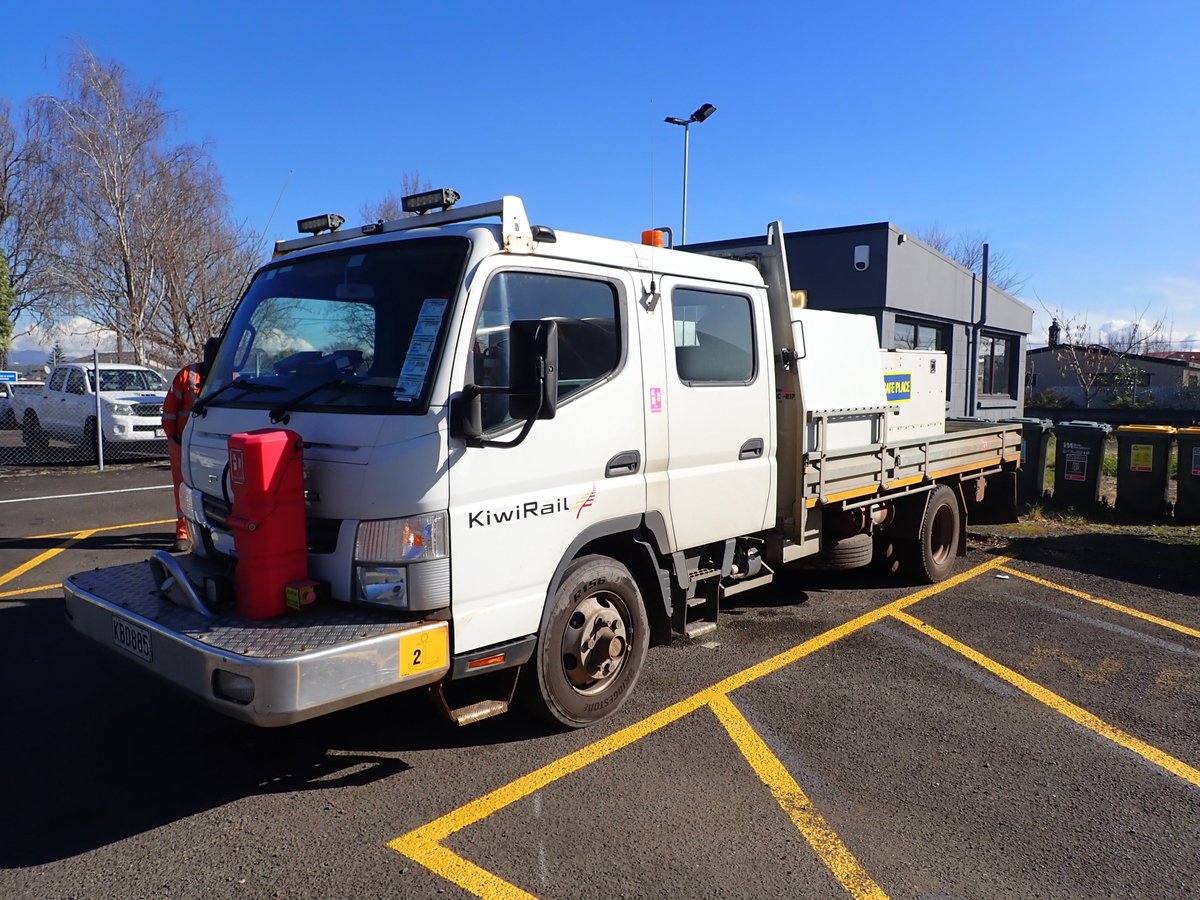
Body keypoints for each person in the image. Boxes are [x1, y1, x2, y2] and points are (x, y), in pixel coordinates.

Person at [162, 361, 204, 551]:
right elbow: (170, 408)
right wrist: (172, 436)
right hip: (183, 442)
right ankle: (183, 532)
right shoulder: (187, 375)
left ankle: (209, 531)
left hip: (212, 444)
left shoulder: (230, 374)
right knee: (182, 487)